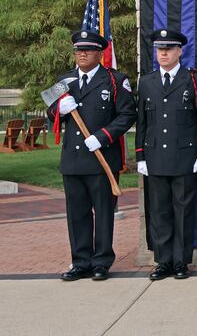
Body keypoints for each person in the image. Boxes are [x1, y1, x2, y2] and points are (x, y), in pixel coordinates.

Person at [46, 30, 136, 281]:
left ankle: (102, 261)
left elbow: (128, 114)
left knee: (104, 212)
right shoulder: (65, 81)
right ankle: (81, 261)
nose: (82, 54)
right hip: (73, 160)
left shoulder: (115, 80)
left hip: (102, 158)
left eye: (87, 50)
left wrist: (104, 135)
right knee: (77, 214)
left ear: (100, 53)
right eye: (78, 50)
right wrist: (58, 110)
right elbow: (49, 113)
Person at [135, 29, 197, 280]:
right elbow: (142, 121)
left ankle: (181, 261)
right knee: (158, 212)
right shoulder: (147, 82)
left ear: (180, 51)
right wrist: (140, 156)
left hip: (185, 157)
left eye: (169, 49)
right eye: (160, 49)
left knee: (183, 211)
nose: (164, 53)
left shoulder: (193, 79)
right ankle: (163, 261)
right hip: (155, 155)